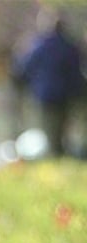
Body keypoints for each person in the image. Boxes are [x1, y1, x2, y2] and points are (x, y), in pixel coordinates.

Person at [12, 12, 87, 157]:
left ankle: (55, 154)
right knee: (62, 126)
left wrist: (22, 84)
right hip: (66, 94)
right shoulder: (71, 47)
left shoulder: (37, 46)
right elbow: (76, 72)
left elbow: (24, 68)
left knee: (50, 128)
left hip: (45, 95)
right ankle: (61, 153)